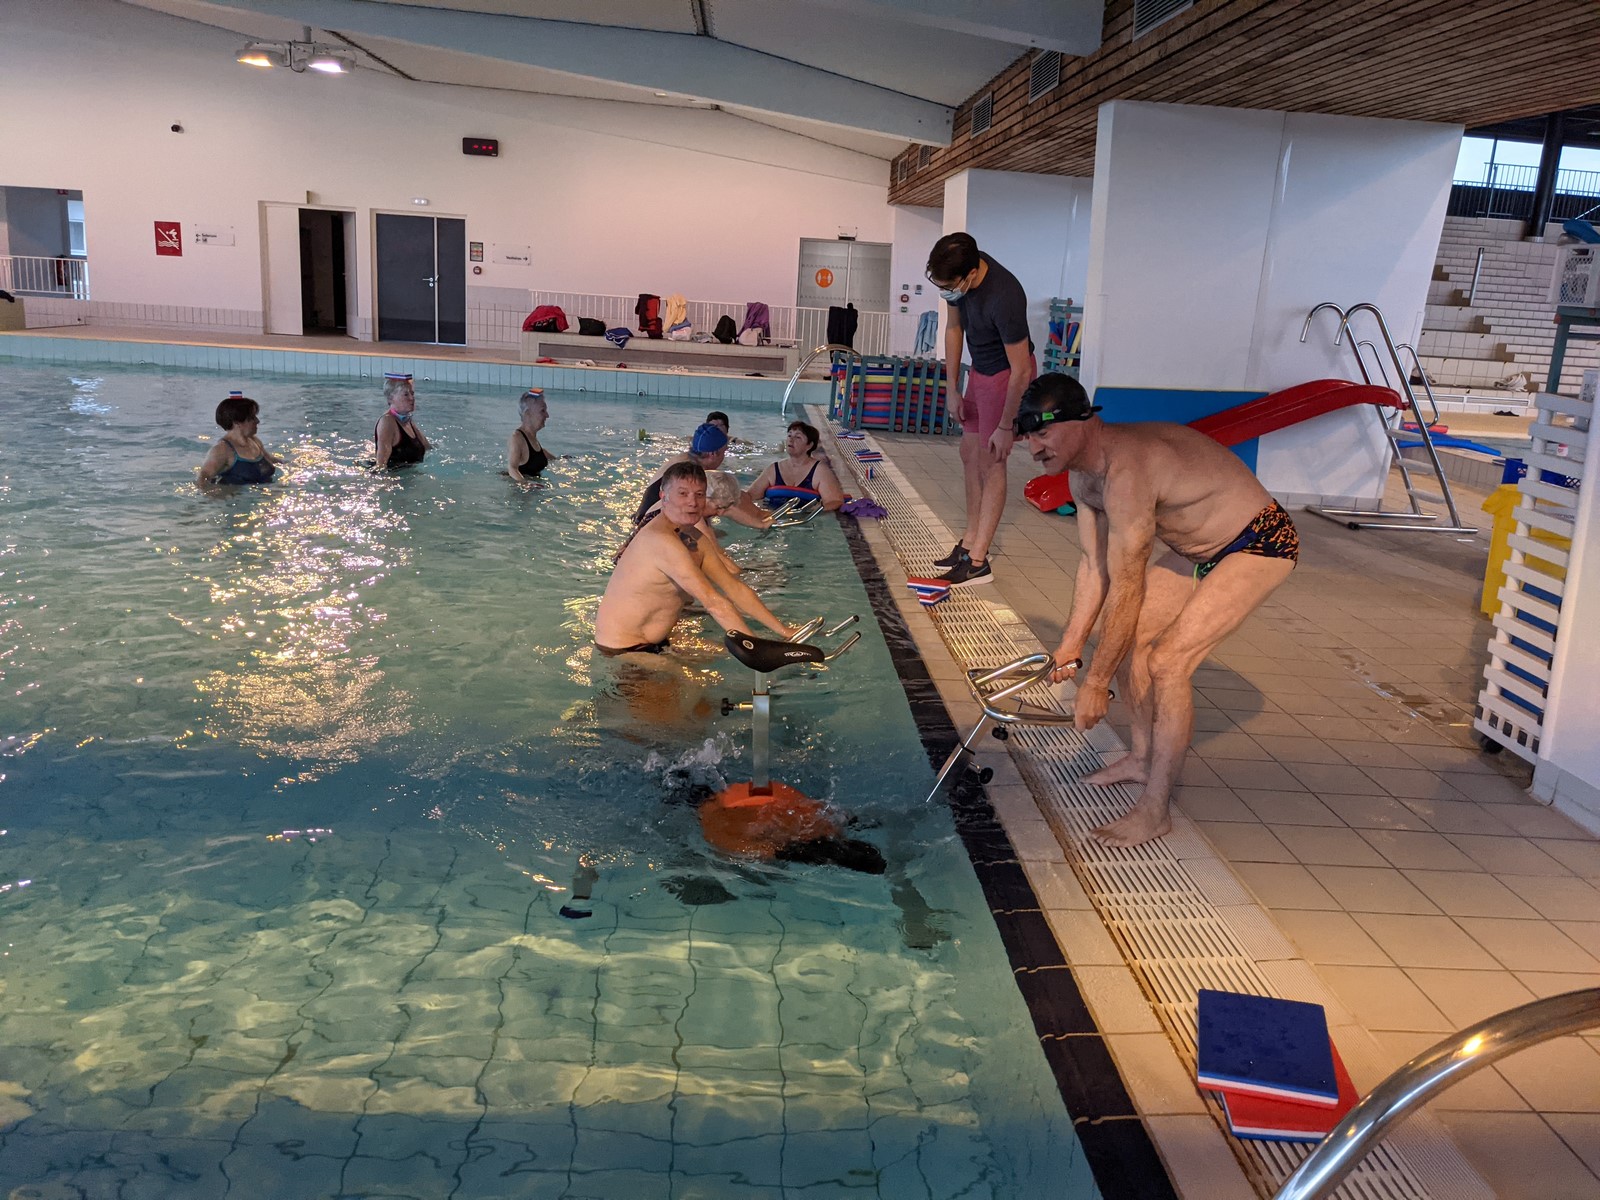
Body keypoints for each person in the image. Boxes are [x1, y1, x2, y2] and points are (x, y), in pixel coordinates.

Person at [1016, 373, 1300, 847]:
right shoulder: (1083, 477)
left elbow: (1127, 586)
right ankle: (1142, 758)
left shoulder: (1127, 473)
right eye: (1028, 437)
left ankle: (1155, 810)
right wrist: (1069, 647)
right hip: (1200, 549)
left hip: (1259, 541)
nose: (1034, 449)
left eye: (1043, 433)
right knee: (1128, 639)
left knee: (1167, 662)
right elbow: (1094, 568)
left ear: (1082, 421)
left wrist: (1097, 683)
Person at [925, 231, 1036, 588]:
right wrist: (952, 387)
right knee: (969, 453)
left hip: (1006, 378)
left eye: (949, 286)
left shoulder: (1005, 296)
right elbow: (954, 328)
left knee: (992, 461)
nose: (946, 293)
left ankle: (978, 562)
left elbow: (1022, 370)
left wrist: (1006, 425)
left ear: (971, 275)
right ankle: (969, 541)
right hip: (980, 372)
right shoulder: (959, 272)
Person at [596, 461, 794, 657]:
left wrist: (785, 631)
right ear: (663, 496)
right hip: (623, 649)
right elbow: (713, 602)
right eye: (683, 494)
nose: (692, 502)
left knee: (718, 657)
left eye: (699, 494)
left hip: (656, 641)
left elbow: (734, 588)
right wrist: (756, 648)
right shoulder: (661, 540)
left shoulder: (693, 536)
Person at [633, 422, 768, 529]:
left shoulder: (682, 459)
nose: (723, 457)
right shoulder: (695, 473)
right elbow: (728, 504)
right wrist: (761, 522)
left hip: (641, 521)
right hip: (654, 524)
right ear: (713, 454)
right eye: (723, 452)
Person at [743, 421, 845, 512]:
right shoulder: (773, 469)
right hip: (774, 518)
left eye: (798, 437)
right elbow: (750, 496)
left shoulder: (819, 470)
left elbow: (834, 501)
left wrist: (810, 512)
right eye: (789, 435)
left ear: (809, 445)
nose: (791, 440)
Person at [198, 391, 279, 486]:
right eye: (252, 418)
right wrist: (217, 494)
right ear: (237, 422)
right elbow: (202, 480)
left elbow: (270, 459)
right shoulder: (221, 451)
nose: (257, 421)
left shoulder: (255, 441)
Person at [374, 372, 430, 469]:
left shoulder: (407, 420)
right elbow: (381, 466)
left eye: (412, 393)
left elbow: (427, 447)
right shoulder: (387, 422)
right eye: (406, 394)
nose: (412, 398)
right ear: (391, 398)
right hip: (395, 476)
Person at [506, 388, 550, 482]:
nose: (547, 415)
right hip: (517, 489)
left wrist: (560, 459)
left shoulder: (532, 437)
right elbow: (512, 469)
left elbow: (538, 454)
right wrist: (525, 485)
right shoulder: (517, 438)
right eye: (542, 411)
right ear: (528, 414)